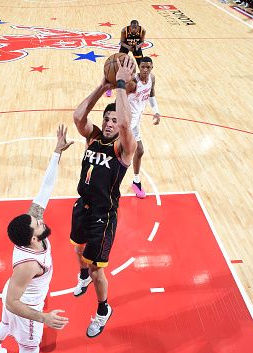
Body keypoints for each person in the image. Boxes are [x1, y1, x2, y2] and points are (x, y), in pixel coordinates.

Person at [0, 125, 72, 353]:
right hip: (25, 306)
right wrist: (43, 317)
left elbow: (45, 188)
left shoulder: (30, 234)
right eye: (36, 223)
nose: (40, 218)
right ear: (33, 238)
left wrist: (56, 153)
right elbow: (13, 302)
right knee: (29, 350)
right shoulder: (28, 264)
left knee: (6, 323)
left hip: (12, 292)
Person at [70, 57, 137, 338]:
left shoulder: (124, 147)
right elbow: (78, 116)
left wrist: (120, 85)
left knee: (98, 269)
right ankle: (82, 277)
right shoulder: (94, 137)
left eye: (112, 120)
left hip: (103, 215)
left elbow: (125, 123)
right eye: (106, 120)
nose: (109, 124)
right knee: (77, 250)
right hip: (81, 207)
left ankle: (102, 310)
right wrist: (102, 86)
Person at [127, 56, 160, 198]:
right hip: (126, 122)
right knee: (118, 155)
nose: (145, 70)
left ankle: (136, 182)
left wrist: (156, 112)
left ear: (152, 67)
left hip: (136, 121)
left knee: (139, 151)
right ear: (139, 67)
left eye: (148, 67)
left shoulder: (152, 78)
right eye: (143, 67)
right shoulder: (133, 82)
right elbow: (120, 98)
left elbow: (152, 95)